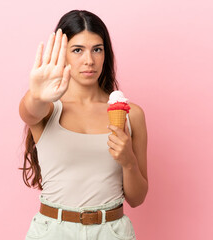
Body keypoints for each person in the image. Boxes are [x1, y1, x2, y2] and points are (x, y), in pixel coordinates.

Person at [19, 9, 148, 240]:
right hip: (53, 231)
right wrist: (37, 95)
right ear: (63, 54)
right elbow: (28, 112)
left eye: (97, 49)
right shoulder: (47, 108)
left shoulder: (131, 114)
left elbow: (137, 199)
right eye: (77, 50)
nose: (89, 60)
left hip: (111, 231)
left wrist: (128, 162)